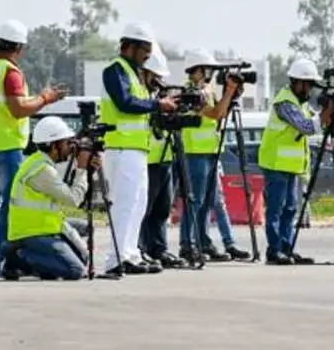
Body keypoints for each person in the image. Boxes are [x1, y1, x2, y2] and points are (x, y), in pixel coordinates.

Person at [0, 20, 64, 278]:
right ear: (19, 48)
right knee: (10, 205)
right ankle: (9, 262)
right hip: (8, 148)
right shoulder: (10, 73)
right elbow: (18, 110)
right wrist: (45, 99)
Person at [98, 21, 180, 276]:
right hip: (121, 148)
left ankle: (130, 252)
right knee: (124, 203)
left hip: (135, 149)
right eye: (144, 48)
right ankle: (116, 258)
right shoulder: (115, 70)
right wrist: (157, 105)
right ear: (129, 46)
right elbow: (125, 103)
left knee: (137, 202)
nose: (147, 54)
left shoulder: (134, 74)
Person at [260, 57, 332, 265]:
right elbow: (307, 127)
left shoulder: (301, 104)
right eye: (307, 84)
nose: (310, 89)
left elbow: (316, 123)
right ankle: (274, 250)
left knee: (290, 209)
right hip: (275, 164)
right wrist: (326, 112)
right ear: (296, 82)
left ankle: (287, 247)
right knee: (276, 209)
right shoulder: (285, 102)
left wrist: (331, 112)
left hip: (290, 166)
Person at [177, 49, 246, 264]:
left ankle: (203, 240)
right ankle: (188, 243)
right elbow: (215, 113)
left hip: (209, 151)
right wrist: (228, 92)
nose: (209, 74)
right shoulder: (190, 92)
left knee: (207, 201)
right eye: (207, 70)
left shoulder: (207, 90)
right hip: (194, 152)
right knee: (195, 200)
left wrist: (230, 93)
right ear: (195, 70)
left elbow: (222, 113)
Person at [3, 116, 93, 281]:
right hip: (31, 232)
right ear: (54, 146)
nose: (69, 147)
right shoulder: (41, 170)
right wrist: (82, 169)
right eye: (66, 143)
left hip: (45, 225)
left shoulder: (39, 162)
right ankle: (18, 258)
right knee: (75, 270)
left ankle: (43, 266)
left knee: (83, 254)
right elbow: (73, 200)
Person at [138, 46, 181, 269]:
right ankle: (141, 248)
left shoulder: (159, 97)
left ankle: (159, 248)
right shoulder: (143, 97)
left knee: (163, 209)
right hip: (148, 160)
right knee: (145, 209)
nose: (159, 81)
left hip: (164, 158)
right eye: (156, 77)